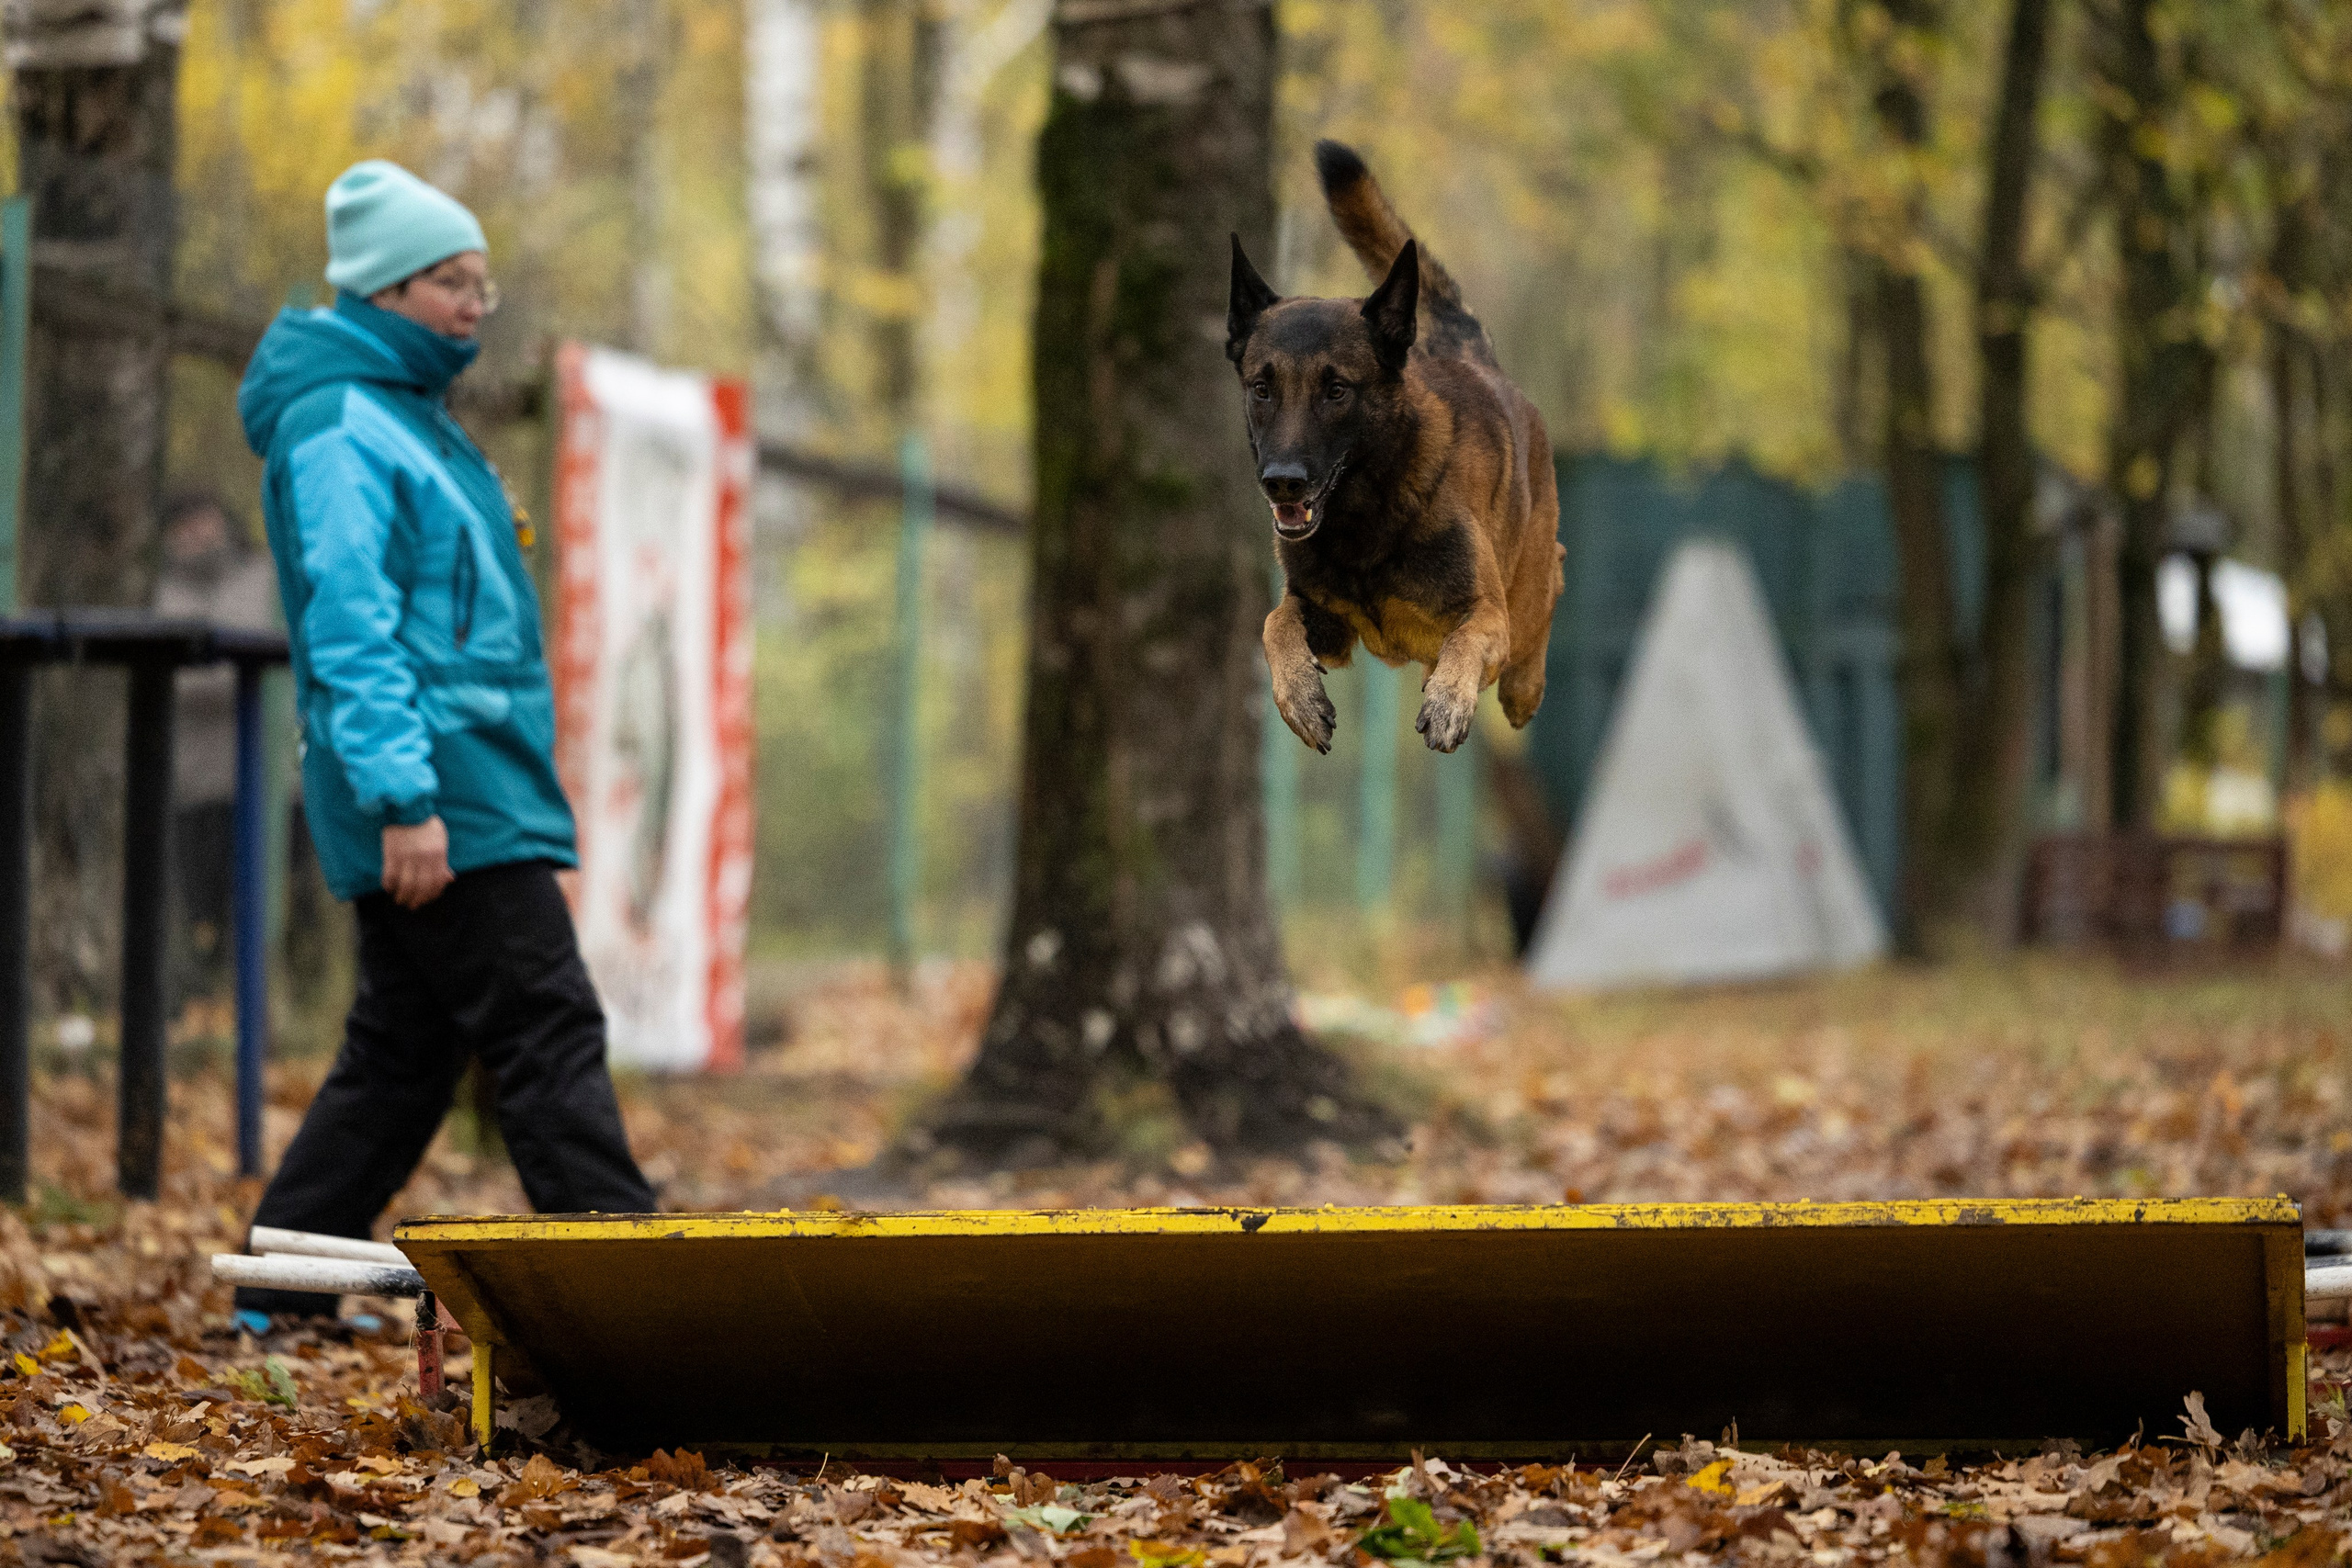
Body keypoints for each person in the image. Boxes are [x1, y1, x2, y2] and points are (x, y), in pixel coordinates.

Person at [232, 161, 655, 1320]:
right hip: (438, 793)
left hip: (474, 778)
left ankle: (280, 1289)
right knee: (542, 1021)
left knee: (404, 1056)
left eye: (483, 283)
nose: (475, 304)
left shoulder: (410, 416)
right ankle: (641, 1290)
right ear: (382, 289)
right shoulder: (338, 424)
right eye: (448, 283)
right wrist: (404, 801)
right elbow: (349, 625)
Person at [152, 493, 281, 1000]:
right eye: (181, 524)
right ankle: (209, 1007)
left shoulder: (264, 577)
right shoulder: (158, 588)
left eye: (202, 519)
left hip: (271, 783)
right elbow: (181, 680)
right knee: (203, 912)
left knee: (275, 905)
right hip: (196, 783)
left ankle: (272, 1005)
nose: (194, 534)